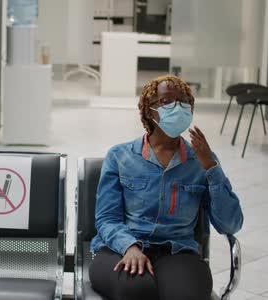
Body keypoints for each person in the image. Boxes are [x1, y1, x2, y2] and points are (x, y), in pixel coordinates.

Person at [89, 75, 243, 300]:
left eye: (184, 102)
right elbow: (106, 219)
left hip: (177, 250)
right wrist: (129, 247)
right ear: (149, 110)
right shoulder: (120, 156)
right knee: (136, 289)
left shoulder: (201, 161)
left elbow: (231, 223)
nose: (178, 108)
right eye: (167, 101)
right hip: (120, 247)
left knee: (186, 294)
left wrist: (211, 167)